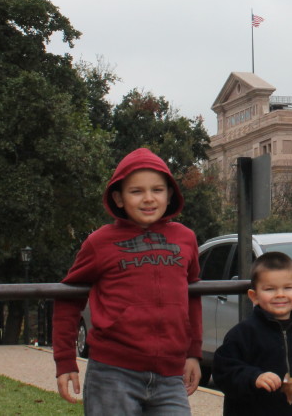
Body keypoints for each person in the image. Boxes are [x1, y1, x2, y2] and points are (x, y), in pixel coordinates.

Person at [52, 148, 202, 414]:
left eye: (157, 190)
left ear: (170, 194)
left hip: (170, 375)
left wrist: (193, 353)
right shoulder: (100, 242)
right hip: (113, 373)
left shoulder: (185, 238)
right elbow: (68, 298)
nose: (148, 199)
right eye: (136, 192)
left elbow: (191, 295)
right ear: (118, 198)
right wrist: (65, 361)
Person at [212, 251, 292, 415]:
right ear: (253, 296)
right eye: (270, 289)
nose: (280, 294)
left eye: (288, 288)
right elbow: (223, 371)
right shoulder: (243, 333)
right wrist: (254, 377)